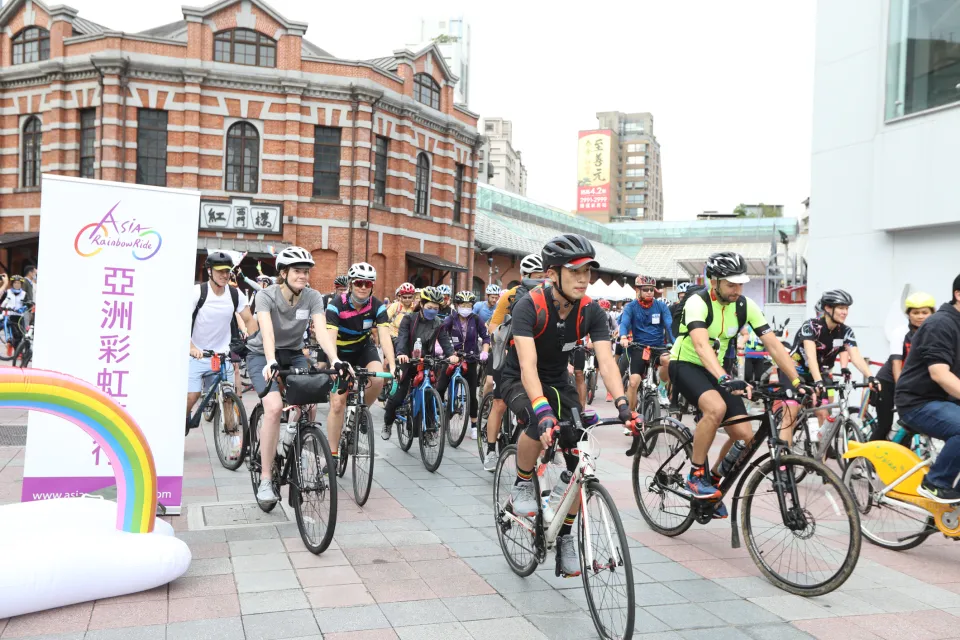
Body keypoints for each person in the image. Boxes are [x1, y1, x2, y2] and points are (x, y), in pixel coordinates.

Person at [503, 233, 638, 576]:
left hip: (558, 380)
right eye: (575, 271)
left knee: (581, 460)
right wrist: (543, 410)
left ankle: (564, 538)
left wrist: (623, 404)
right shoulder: (529, 305)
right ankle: (522, 481)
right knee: (538, 420)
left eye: (588, 271)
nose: (583, 278)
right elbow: (528, 367)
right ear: (552, 274)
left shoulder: (590, 310)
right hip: (519, 376)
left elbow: (607, 362)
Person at [670, 251, 805, 515]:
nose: (737, 289)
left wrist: (799, 381)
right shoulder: (697, 302)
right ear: (714, 281)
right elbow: (700, 345)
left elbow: (775, 347)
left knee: (745, 438)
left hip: (717, 370)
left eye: (740, 283)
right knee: (716, 408)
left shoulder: (745, 306)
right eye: (731, 284)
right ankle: (696, 474)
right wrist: (724, 377)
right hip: (685, 364)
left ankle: (713, 481)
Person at [246, 247, 344, 505]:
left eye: (306, 272)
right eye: (298, 271)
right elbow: (266, 332)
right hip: (261, 355)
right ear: (283, 273)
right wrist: (270, 361)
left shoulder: (312, 297)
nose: (303, 276)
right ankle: (266, 479)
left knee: (309, 402)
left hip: (294, 353)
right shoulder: (266, 296)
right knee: (275, 408)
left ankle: (294, 440)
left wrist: (335, 359)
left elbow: (321, 332)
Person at [896, 274, 960, 501]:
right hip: (918, 402)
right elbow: (940, 374)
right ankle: (935, 483)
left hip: (946, 401)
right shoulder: (940, 324)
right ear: (958, 295)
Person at [782, 289, 877, 441]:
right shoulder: (811, 326)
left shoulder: (846, 331)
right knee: (790, 416)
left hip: (817, 374)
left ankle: (819, 460)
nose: (845, 312)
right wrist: (819, 381)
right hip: (795, 371)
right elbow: (811, 357)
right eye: (841, 308)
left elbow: (856, 357)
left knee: (823, 415)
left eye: (846, 308)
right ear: (827, 308)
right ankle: (783, 461)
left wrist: (871, 377)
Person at [481, 253, 547, 472]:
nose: (540, 281)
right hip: (507, 354)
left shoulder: (548, 296)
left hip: (535, 356)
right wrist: (506, 336)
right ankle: (491, 449)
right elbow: (493, 325)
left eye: (543, 276)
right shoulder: (510, 295)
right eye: (536, 276)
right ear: (525, 276)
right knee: (499, 403)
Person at [187, 251, 256, 455]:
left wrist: (256, 342)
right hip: (197, 354)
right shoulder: (197, 292)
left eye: (227, 271)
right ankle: (179, 428)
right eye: (220, 271)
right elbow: (181, 321)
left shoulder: (235, 294)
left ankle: (234, 444)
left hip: (222, 354)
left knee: (228, 398)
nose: (224, 275)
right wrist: (191, 347)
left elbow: (249, 320)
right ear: (210, 271)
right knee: (192, 395)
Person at [326, 262, 395, 462]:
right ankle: (333, 455)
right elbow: (330, 337)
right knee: (338, 404)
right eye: (359, 283)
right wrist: (334, 362)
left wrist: (391, 363)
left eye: (367, 283)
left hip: (363, 348)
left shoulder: (377, 305)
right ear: (350, 284)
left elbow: (384, 335)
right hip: (339, 351)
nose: (363, 287)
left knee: (379, 380)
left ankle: (358, 412)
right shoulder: (336, 304)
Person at [383, 287, 457, 435]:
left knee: (430, 395)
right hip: (408, 361)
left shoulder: (438, 323)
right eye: (430, 307)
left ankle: (429, 431)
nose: (433, 311)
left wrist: (451, 355)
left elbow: (445, 342)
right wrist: (401, 353)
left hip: (426, 362)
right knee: (397, 397)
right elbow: (402, 338)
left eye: (436, 308)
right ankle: (388, 423)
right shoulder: (409, 319)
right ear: (422, 305)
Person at [873, 292, 935, 441]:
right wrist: (902, 391)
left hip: (911, 384)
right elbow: (896, 364)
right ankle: (864, 460)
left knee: (909, 426)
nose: (920, 316)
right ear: (908, 315)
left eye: (925, 312)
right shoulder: (900, 333)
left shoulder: (935, 333)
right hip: (888, 382)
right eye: (916, 312)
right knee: (884, 426)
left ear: (932, 313)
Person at [438, 291, 490, 439]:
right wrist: (443, 350)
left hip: (471, 359)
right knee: (441, 387)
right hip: (453, 358)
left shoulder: (476, 319)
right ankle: (438, 412)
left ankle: (474, 426)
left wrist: (484, 352)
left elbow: (486, 337)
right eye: (463, 305)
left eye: (469, 305)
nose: (466, 308)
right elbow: (440, 333)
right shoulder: (450, 319)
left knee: (472, 395)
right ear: (457, 305)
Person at [620, 274, 673, 411]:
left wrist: (676, 343)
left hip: (658, 346)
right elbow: (625, 323)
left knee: (669, 360)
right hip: (638, 347)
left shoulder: (661, 306)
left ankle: (661, 388)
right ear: (638, 290)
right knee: (633, 382)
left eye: (651, 289)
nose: (649, 292)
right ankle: (631, 415)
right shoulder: (631, 307)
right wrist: (623, 336)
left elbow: (669, 325)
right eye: (646, 289)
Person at [387, 283, 418, 349]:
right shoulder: (395, 306)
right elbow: (385, 319)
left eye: (410, 297)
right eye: (404, 297)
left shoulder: (415, 308)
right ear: (400, 297)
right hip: (394, 335)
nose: (407, 299)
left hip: (408, 337)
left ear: (413, 297)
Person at [1, 275, 28, 349]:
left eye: (19, 283)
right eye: (15, 283)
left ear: (21, 284)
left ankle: (18, 352)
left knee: (20, 335)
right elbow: (2, 302)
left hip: (19, 317)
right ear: (12, 283)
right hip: (9, 315)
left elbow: (27, 304)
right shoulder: (7, 292)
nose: (17, 284)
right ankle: (9, 343)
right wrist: (3, 307)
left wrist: (23, 308)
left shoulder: (24, 294)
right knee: (13, 333)